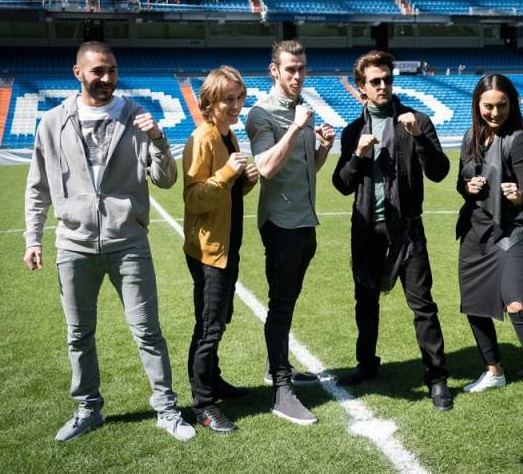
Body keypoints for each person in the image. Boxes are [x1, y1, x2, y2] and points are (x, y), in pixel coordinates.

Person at [23, 41, 195, 442]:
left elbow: (166, 180)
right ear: (77, 72)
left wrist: (159, 141)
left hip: (128, 242)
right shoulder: (52, 122)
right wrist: (33, 238)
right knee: (78, 334)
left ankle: (167, 409)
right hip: (74, 245)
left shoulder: (136, 117)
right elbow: (38, 187)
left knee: (147, 332)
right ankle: (88, 409)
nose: (106, 79)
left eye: (112, 71)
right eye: (98, 71)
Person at [332, 50, 452, 411]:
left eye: (387, 79)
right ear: (361, 88)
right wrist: (358, 157)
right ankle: (366, 364)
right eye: (375, 81)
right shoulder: (354, 130)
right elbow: (341, 183)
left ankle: (437, 378)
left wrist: (420, 138)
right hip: (366, 228)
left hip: (407, 229)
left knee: (423, 305)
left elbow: (440, 171)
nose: (383, 86)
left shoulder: (416, 120)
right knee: (365, 302)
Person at [455, 73, 523, 432]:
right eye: (488, 106)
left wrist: (519, 195)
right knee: (474, 303)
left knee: (519, 305)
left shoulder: (519, 140)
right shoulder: (471, 136)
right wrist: (468, 186)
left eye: (502, 105)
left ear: (511, 105)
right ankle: (494, 371)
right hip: (476, 231)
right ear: (477, 105)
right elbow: (462, 183)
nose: (495, 112)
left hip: (511, 232)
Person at [245, 40, 336, 425]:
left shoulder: (304, 112)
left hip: (305, 221)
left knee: (290, 300)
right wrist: (297, 127)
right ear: (274, 70)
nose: (297, 75)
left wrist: (323, 148)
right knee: (281, 303)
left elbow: (305, 170)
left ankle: (274, 366)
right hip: (281, 224)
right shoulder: (260, 114)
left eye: (301, 68)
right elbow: (265, 167)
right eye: (290, 69)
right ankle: (282, 390)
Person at [182, 66, 259, 433]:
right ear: (210, 102)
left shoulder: (230, 135)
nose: (235, 105)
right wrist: (229, 173)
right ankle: (203, 403)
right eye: (228, 98)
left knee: (220, 319)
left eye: (239, 97)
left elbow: (226, 196)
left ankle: (214, 381)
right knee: (209, 326)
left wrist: (244, 183)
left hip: (229, 243)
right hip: (210, 250)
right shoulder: (203, 138)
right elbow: (195, 198)